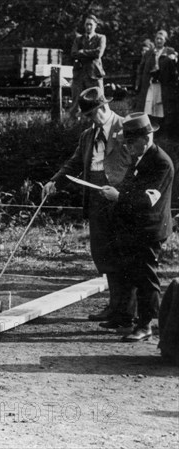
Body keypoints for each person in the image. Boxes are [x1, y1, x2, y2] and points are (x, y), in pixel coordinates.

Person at [42, 86, 135, 329]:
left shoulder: (126, 128)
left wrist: (127, 194)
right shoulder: (87, 135)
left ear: (105, 107)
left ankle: (126, 311)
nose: (92, 119)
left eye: (94, 114)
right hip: (95, 198)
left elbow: (139, 164)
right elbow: (74, 162)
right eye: (89, 116)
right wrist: (54, 181)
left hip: (120, 198)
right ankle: (115, 305)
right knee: (104, 254)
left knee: (123, 254)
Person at [100, 113, 174, 342]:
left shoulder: (160, 162)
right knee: (128, 273)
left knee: (145, 278)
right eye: (126, 143)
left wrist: (118, 197)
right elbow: (130, 186)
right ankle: (127, 318)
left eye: (131, 142)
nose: (128, 147)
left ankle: (146, 325)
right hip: (133, 228)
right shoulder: (140, 156)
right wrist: (116, 190)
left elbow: (146, 200)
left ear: (147, 136)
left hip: (149, 230)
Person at [135, 30, 178, 132]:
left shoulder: (169, 51)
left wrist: (174, 59)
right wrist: (139, 83)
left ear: (165, 40)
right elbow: (142, 68)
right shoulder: (149, 53)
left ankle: (162, 129)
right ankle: (149, 128)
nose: (159, 41)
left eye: (161, 39)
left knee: (161, 106)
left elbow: (174, 69)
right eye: (157, 39)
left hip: (163, 85)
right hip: (151, 84)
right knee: (149, 105)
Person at [68, 14, 107, 117]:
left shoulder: (101, 38)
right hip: (79, 75)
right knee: (76, 103)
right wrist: (89, 54)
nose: (88, 27)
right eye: (86, 25)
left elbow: (98, 53)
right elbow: (73, 53)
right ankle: (74, 127)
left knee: (98, 102)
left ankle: (101, 124)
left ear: (95, 25)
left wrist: (82, 52)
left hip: (94, 74)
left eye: (90, 24)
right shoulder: (78, 39)